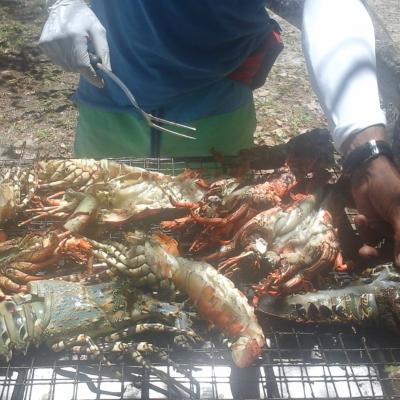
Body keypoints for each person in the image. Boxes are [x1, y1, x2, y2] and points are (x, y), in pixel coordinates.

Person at [39, 0, 400, 265]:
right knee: (87, 239)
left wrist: (365, 151)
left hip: (212, 109)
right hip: (107, 95)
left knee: (214, 244)